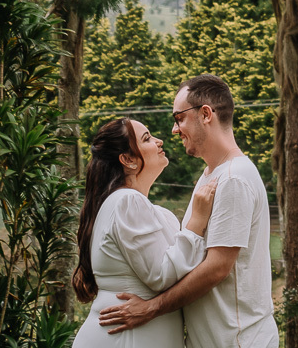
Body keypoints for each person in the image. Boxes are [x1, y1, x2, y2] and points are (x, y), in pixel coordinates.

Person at [99, 74, 279, 348]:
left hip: (238, 341)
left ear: (206, 114)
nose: (174, 130)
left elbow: (217, 268)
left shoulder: (234, 178)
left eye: (179, 118)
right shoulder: (210, 175)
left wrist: (151, 309)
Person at [72, 118, 217, 348]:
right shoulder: (127, 201)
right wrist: (197, 221)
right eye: (147, 138)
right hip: (123, 339)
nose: (159, 141)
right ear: (128, 160)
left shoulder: (148, 210)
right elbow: (161, 275)